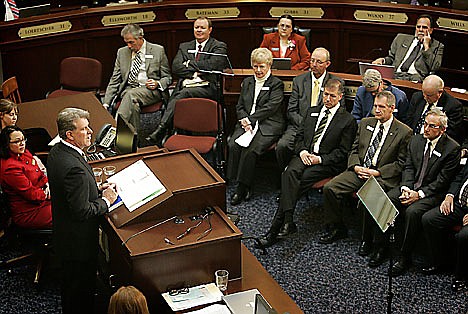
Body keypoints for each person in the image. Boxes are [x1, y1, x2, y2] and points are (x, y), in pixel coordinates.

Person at [257, 79, 357, 247]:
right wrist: (302, 151)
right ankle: (287, 221)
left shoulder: (347, 120)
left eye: (332, 96)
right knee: (288, 173)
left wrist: (320, 159)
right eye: (325, 94)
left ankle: (274, 231)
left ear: (340, 97)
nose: (327, 99)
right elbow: (299, 138)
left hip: (325, 162)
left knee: (296, 183)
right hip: (304, 156)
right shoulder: (312, 112)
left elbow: (343, 153)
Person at [47, 108, 118, 314]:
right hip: (78, 244)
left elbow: (71, 192)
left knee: (71, 290)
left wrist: (95, 189)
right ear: (70, 134)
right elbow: (81, 211)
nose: (90, 132)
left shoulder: (57, 151)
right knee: (79, 295)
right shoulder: (73, 167)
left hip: (65, 237)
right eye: (84, 129)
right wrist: (105, 201)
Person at [319, 91, 412, 245]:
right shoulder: (365, 123)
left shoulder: (404, 132)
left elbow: (401, 163)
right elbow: (354, 149)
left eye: (381, 107)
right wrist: (355, 166)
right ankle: (337, 228)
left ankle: (367, 239)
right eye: (375, 106)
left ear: (392, 108)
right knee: (330, 188)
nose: (377, 109)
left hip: (380, 175)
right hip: (360, 170)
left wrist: (377, 172)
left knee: (366, 199)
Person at [387, 108, 460, 276]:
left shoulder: (451, 149)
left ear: (442, 130)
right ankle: (382, 245)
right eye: (425, 124)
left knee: (413, 212)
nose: (426, 129)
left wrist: (418, 195)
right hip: (411, 186)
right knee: (390, 198)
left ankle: (405, 257)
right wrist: (406, 188)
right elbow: (409, 166)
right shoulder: (416, 140)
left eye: (431, 126)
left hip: (433, 193)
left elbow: (442, 181)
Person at [147, 16, 228, 145]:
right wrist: (198, 69)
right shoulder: (184, 46)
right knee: (178, 94)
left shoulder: (218, 46)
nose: (199, 30)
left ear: (210, 30)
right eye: (196, 27)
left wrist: (189, 64)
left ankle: (162, 129)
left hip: (208, 87)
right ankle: (173, 130)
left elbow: (214, 65)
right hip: (186, 84)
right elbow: (176, 68)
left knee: (183, 94)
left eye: (202, 28)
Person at [227, 48, 285, 206]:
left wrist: (251, 119)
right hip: (247, 122)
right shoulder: (247, 82)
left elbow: (270, 108)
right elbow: (239, 106)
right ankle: (238, 180)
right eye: (255, 66)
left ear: (269, 65)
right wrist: (244, 119)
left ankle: (242, 187)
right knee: (233, 144)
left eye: (262, 67)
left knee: (251, 150)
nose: (258, 70)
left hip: (268, 124)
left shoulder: (276, 84)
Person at [276, 47, 343, 171]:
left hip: (323, 128)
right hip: (298, 125)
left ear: (327, 64)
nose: (314, 65)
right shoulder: (299, 81)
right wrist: (306, 125)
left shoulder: (336, 83)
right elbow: (291, 110)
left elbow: (340, 113)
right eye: (312, 61)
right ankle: (284, 175)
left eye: (319, 62)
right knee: (282, 146)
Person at [103, 23, 172, 133]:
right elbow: (115, 79)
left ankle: (115, 129)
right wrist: (106, 104)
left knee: (130, 95)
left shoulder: (157, 50)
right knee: (133, 104)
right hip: (130, 89)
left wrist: (157, 83)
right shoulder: (122, 52)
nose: (129, 46)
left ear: (140, 38)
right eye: (126, 43)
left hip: (150, 91)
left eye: (131, 42)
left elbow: (167, 77)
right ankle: (133, 141)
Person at [422, 163, 468, 292]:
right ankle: (439, 261)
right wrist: (450, 196)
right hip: (460, 203)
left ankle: (461, 277)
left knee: (464, 236)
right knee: (429, 219)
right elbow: (459, 177)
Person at [0, 126, 51, 229]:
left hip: (43, 199)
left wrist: (47, 185)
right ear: (6, 144)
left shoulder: (25, 153)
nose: (22, 143)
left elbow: (41, 174)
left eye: (23, 139)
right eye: (17, 141)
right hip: (29, 211)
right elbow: (32, 195)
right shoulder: (10, 168)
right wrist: (48, 194)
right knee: (68, 212)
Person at [372, 14, 444, 82]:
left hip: (414, 79)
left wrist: (426, 47)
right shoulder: (401, 38)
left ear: (431, 30)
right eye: (418, 27)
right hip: (395, 76)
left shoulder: (437, 46)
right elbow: (391, 58)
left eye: (424, 27)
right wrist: (383, 60)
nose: (421, 30)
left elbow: (434, 67)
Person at [406, 74, 463, 144]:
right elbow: (408, 120)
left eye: (429, 95)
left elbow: (450, 134)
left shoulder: (453, 106)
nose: (425, 97)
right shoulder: (417, 97)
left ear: (440, 93)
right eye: (423, 93)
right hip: (411, 140)